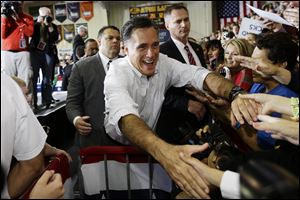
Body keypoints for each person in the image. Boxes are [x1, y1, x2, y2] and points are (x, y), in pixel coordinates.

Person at [103, 16, 252, 198]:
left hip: (152, 149)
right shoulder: (116, 74)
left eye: (155, 45)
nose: (151, 54)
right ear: (125, 50)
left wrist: (236, 94)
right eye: (142, 47)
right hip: (119, 153)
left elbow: (199, 75)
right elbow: (125, 117)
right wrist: (165, 153)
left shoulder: (163, 62)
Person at [1, 73, 67, 199]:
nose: (29, 98)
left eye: (28, 94)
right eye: (24, 94)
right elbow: (33, 164)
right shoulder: (7, 88)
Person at [156, 4, 208, 144]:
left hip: (204, 120)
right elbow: (156, 91)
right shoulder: (161, 53)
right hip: (178, 126)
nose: (184, 25)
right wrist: (186, 103)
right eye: (178, 21)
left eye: (186, 19)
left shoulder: (197, 48)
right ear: (167, 25)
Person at [66, 25, 121, 148]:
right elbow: (72, 102)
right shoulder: (81, 67)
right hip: (93, 139)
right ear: (99, 41)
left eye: (118, 38)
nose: (115, 41)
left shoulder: (129, 65)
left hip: (126, 139)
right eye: (110, 38)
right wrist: (76, 119)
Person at [29, 7, 59, 110]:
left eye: (48, 15)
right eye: (44, 16)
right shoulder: (34, 24)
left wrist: (49, 26)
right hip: (35, 53)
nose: (47, 17)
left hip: (48, 52)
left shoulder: (52, 26)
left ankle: (47, 101)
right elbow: (29, 34)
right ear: (39, 15)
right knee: (34, 78)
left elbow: (55, 38)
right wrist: (37, 23)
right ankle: (34, 104)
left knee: (47, 79)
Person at [1, 1, 34, 87]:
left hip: (23, 52)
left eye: (18, 3)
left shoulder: (28, 18)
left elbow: (30, 33)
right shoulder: (4, 17)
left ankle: (26, 100)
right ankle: (9, 100)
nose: (16, 6)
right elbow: (2, 35)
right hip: (7, 52)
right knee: (8, 80)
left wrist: (18, 20)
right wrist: (4, 18)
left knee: (26, 80)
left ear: (22, 4)